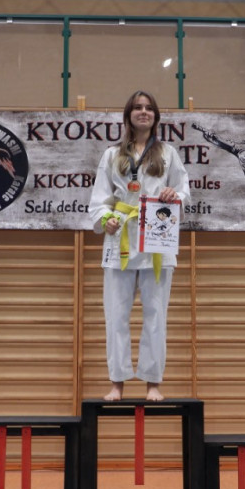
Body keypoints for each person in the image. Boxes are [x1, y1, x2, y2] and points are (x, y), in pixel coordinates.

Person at [88, 91, 191, 402]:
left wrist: (174, 195)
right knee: (116, 315)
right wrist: (105, 219)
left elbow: (184, 191)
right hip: (120, 236)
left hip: (157, 238)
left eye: (148, 108)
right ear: (128, 115)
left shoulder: (168, 154)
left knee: (156, 315)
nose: (143, 112)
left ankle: (152, 383)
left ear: (155, 116)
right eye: (137, 107)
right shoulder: (111, 155)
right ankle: (117, 383)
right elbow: (99, 199)